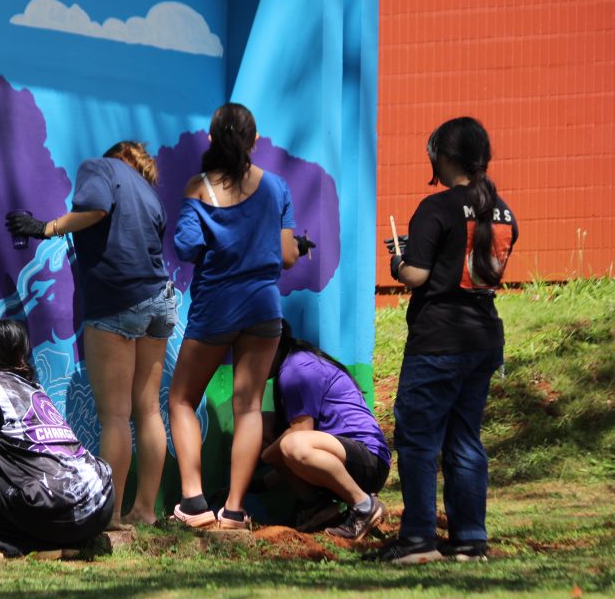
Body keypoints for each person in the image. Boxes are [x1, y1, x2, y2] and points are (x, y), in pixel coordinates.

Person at [6, 141, 173, 528]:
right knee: (148, 410)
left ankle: (112, 514)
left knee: (115, 414)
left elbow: (95, 208)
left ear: (118, 156)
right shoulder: (151, 194)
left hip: (117, 302)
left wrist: (45, 229)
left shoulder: (100, 167)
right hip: (160, 300)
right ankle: (146, 510)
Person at [374, 117, 517, 564]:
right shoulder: (504, 210)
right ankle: (470, 539)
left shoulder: (435, 208)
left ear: (443, 156)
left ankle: (417, 539)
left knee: (418, 441)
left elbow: (416, 276)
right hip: (482, 338)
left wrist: (398, 260)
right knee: (464, 439)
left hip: (438, 340)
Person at [168, 102, 302, 529]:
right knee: (248, 408)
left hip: (216, 307)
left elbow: (187, 248)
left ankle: (193, 504)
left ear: (211, 140)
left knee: (182, 399)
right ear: (253, 141)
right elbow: (286, 257)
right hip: (264, 308)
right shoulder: (278, 187)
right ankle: (234, 511)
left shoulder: (199, 187)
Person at [0, 319, 115, 557]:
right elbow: (14, 429)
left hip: (61, 511)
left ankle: (21, 547)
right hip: (100, 506)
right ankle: (76, 543)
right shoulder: (33, 386)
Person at [259, 321, 390, 540]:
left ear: (273, 347)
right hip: (340, 455)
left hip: (369, 460)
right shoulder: (291, 364)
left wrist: (265, 461)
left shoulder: (296, 369)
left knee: (292, 443)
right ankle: (317, 508)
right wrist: (260, 483)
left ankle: (364, 506)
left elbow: (299, 433)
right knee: (260, 423)